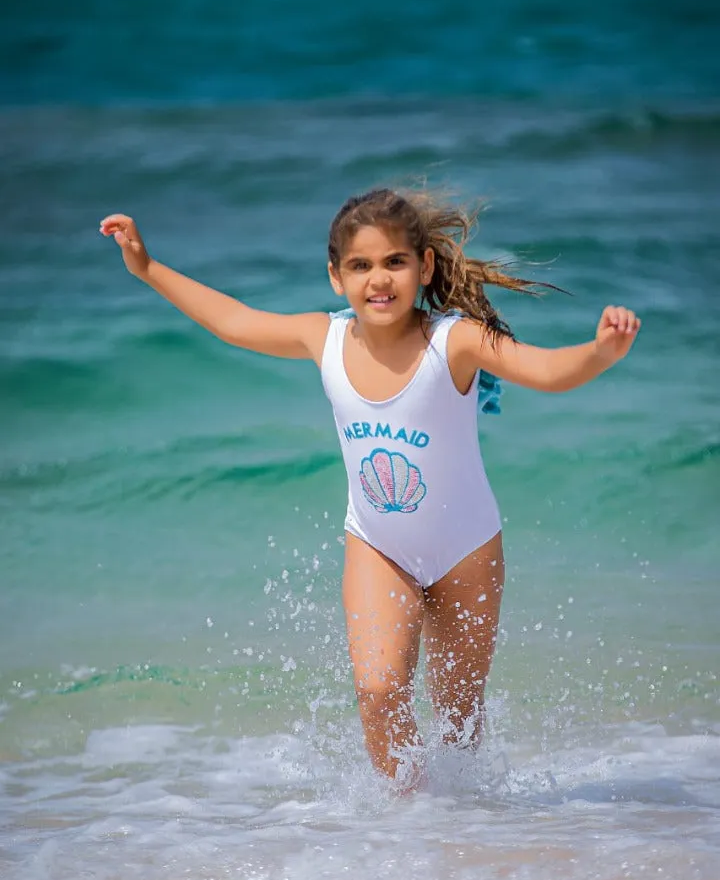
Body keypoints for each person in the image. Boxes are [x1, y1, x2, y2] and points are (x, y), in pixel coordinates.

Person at [100, 188, 640, 789]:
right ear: (336, 277)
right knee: (379, 692)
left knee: (459, 718)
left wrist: (600, 352)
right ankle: (409, 822)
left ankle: (466, 831)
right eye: (359, 265)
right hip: (379, 545)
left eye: (394, 262)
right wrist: (146, 268)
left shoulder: (453, 341)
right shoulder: (322, 339)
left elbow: (546, 370)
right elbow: (232, 321)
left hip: (467, 551)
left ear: (423, 267)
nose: (378, 280)